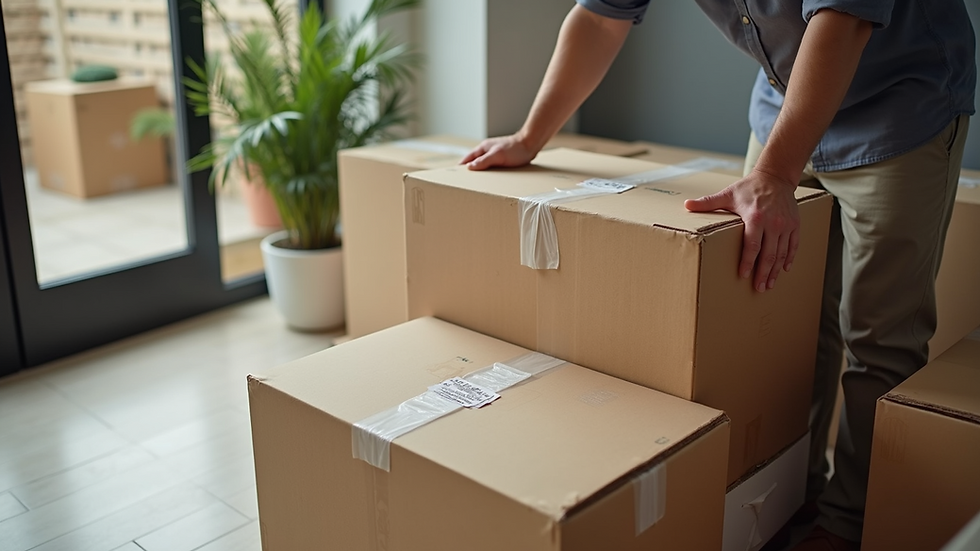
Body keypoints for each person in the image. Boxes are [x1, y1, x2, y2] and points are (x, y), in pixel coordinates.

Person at [462, 2, 976, 550]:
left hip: (896, 107)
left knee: (878, 335)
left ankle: (846, 524)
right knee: (780, 321)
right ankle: (792, 489)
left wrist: (774, 174)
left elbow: (843, 18)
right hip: (787, 105)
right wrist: (530, 136)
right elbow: (597, 18)